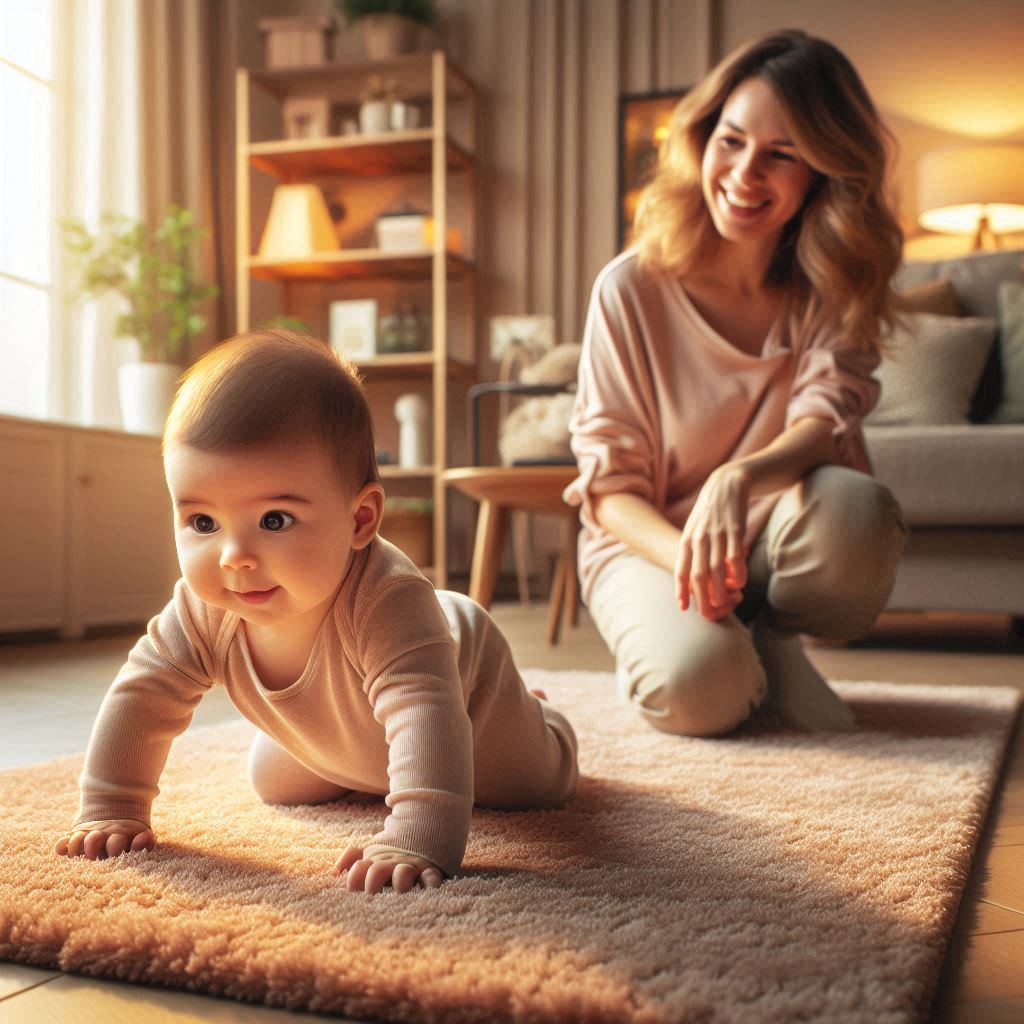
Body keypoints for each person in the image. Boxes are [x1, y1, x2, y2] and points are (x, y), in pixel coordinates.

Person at [56, 329, 579, 893]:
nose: (235, 558)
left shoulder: (388, 602)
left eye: (274, 520)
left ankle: (541, 716)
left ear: (360, 520)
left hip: (469, 694)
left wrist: (416, 838)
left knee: (536, 779)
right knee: (272, 780)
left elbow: (424, 713)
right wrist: (112, 803)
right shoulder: (203, 608)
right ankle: (374, 765)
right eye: (203, 523)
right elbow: (143, 693)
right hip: (346, 725)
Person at [565, 29, 908, 738]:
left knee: (858, 518)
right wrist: (695, 566)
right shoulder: (630, 288)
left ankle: (768, 638)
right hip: (648, 545)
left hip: (768, 529)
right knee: (699, 693)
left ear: (822, 171)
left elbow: (827, 420)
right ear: (702, 138)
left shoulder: (830, 286)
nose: (746, 173)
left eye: (783, 154)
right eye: (732, 140)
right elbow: (609, 492)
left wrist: (737, 479)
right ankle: (739, 653)